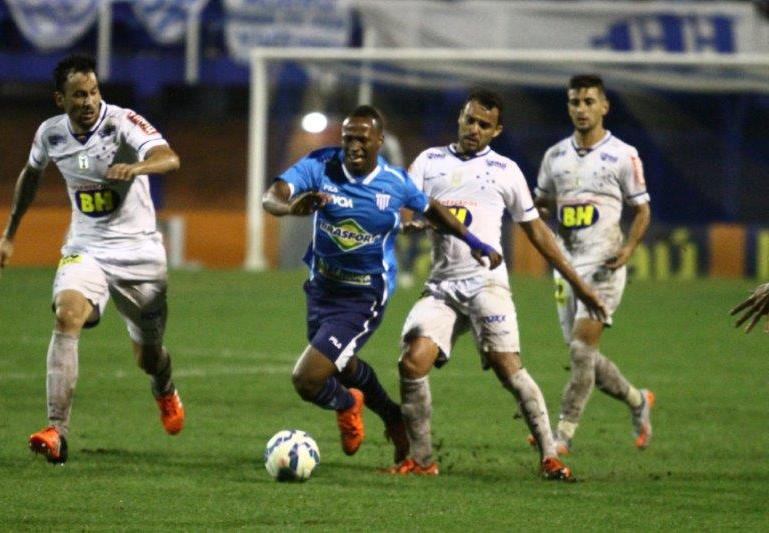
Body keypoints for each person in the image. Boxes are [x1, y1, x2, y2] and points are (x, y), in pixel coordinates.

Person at [386, 89, 607, 481]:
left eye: (484, 125)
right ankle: (421, 461)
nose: (474, 129)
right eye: (470, 120)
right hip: (441, 286)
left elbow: (537, 232)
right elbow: (404, 204)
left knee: (510, 370)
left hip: (486, 284)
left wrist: (579, 284)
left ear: (496, 131)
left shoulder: (505, 171)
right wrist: (412, 220)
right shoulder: (429, 161)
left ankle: (550, 456)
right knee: (411, 362)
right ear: (460, 118)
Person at [262, 105, 501, 464]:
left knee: (308, 379)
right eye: (348, 139)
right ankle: (393, 417)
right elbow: (272, 197)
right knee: (342, 365)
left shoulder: (395, 182)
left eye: (363, 139)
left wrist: (475, 241)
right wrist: (292, 207)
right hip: (321, 287)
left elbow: (433, 209)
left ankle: (347, 403)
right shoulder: (320, 165)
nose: (355, 146)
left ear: (379, 141)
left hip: (363, 295)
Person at [0, 54, 184, 464]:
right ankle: (56, 430)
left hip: (139, 253)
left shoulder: (122, 121)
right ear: (60, 99)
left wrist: (137, 166)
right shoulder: (50, 135)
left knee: (148, 357)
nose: (89, 101)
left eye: (94, 92)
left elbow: (170, 158)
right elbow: (30, 177)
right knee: (67, 315)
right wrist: (9, 235)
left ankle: (164, 386)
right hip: (86, 248)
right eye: (79, 94)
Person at [533, 74, 654, 455]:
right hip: (567, 269)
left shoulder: (623, 154)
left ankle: (562, 434)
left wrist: (630, 248)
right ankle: (638, 400)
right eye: (574, 102)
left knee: (581, 352)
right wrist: (539, 212)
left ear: (604, 106)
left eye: (589, 101)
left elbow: (642, 210)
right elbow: (541, 204)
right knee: (583, 355)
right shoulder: (554, 156)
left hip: (605, 266)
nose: (581, 109)